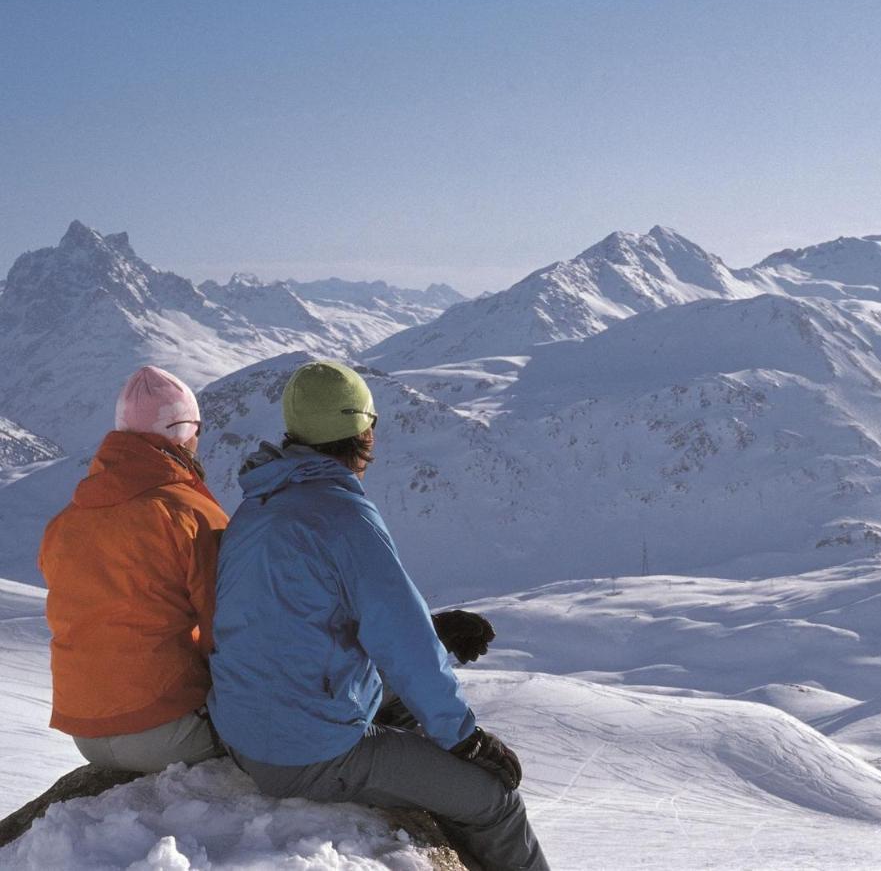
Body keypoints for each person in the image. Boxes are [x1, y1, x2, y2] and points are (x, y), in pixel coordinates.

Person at [208, 360, 548, 871]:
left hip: (247, 725)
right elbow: (403, 641)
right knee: (493, 800)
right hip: (305, 750)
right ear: (362, 430)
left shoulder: (261, 501)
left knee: (408, 706)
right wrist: (467, 741)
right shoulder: (343, 515)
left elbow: (305, 614)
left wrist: (431, 633)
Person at [39, 366, 227, 772]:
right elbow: (228, 631)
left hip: (85, 732)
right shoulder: (192, 515)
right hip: (169, 728)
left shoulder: (65, 522)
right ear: (184, 433)